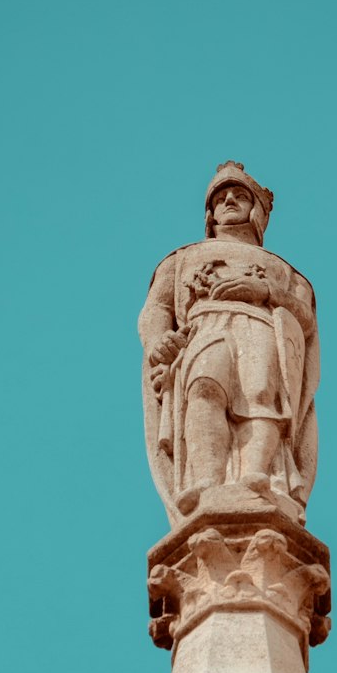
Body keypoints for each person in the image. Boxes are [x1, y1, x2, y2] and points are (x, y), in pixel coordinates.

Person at [139, 162, 319, 524]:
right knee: (203, 388)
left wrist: (266, 290)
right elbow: (155, 309)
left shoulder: (284, 269)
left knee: (262, 398)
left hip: (260, 327)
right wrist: (159, 341)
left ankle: (256, 475)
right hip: (204, 327)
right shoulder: (182, 257)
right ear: (210, 212)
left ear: (257, 211)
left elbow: (305, 317)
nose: (230, 201)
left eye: (239, 195)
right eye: (221, 198)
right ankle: (206, 479)